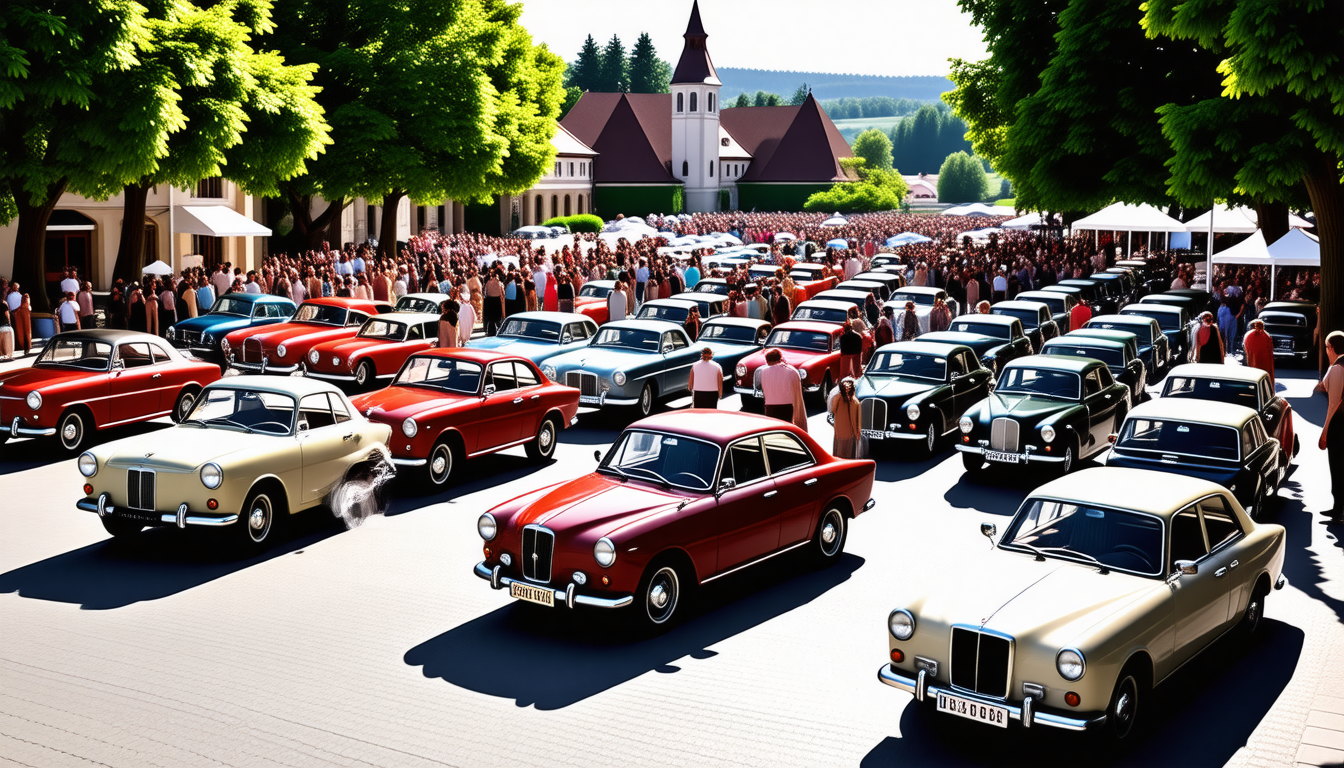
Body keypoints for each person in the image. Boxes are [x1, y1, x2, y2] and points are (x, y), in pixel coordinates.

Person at [1320, 332, 1344, 523]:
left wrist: (1325, 432)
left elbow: (1333, 404)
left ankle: (1339, 510)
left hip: (1339, 426)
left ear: (1332, 348)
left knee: (1337, 468)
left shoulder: (1337, 369)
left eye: (1327, 347)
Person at [760, 348, 806, 429]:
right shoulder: (791, 370)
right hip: (787, 406)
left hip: (769, 406)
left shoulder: (763, 371)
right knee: (786, 429)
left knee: (773, 429)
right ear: (780, 358)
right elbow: (797, 393)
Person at [828, 377, 862, 458]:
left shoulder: (837, 399)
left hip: (839, 435)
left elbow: (832, 410)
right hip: (849, 436)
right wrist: (857, 434)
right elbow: (855, 421)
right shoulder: (854, 402)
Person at [1243, 319, 1275, 388]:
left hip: (1253, 364)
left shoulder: (1249, 335)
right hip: (1266, 366)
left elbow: (1246, 350)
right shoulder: (1266, 335)